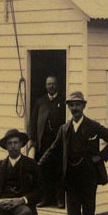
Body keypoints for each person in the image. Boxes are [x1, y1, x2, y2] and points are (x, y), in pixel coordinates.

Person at [27, 74, 66, 208]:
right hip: (43, 143)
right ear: (45, 86)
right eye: (49, 84)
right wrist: (32, 139)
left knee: (58, 171)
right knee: (44, 171)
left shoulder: (62, 101)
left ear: (57, 85)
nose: (51, 86)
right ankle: (45, 198)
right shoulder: (40, 101)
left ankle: (59, 199)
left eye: (53, 83)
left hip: (58, 143)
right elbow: (33, 122)